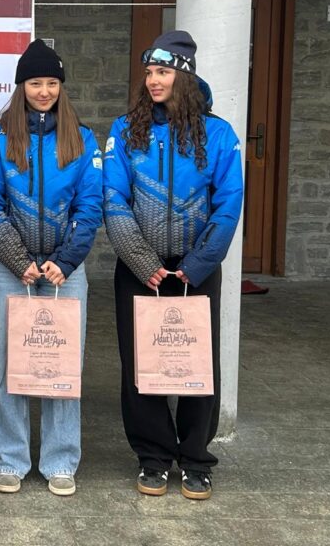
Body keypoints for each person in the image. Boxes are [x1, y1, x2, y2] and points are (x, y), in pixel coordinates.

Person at [103, 30, 243, 500]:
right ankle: (153, 456)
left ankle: (196, 458)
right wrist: (142, 260)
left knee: (196, 362)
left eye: (162, 72)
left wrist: (199, 263)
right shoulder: (125, 130)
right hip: (139, 268)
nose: (152, 81)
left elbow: (228, 203)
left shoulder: (218, 134)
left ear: (183, 77)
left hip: (194, 269)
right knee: (140, 362)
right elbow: (113, 198)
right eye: (148, 72)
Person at [0, 40, 102, 496]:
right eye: (34, 83)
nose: (43, 91)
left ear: (61, 86)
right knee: (7, 365)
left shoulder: (82, 138)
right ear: (20, 86)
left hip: (66, 271)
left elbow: (90, 205)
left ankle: (61, 460)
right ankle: (9, 458)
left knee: (62, 366)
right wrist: (19, 261)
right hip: (12, 270)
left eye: (51, 83)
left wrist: (65, 261)